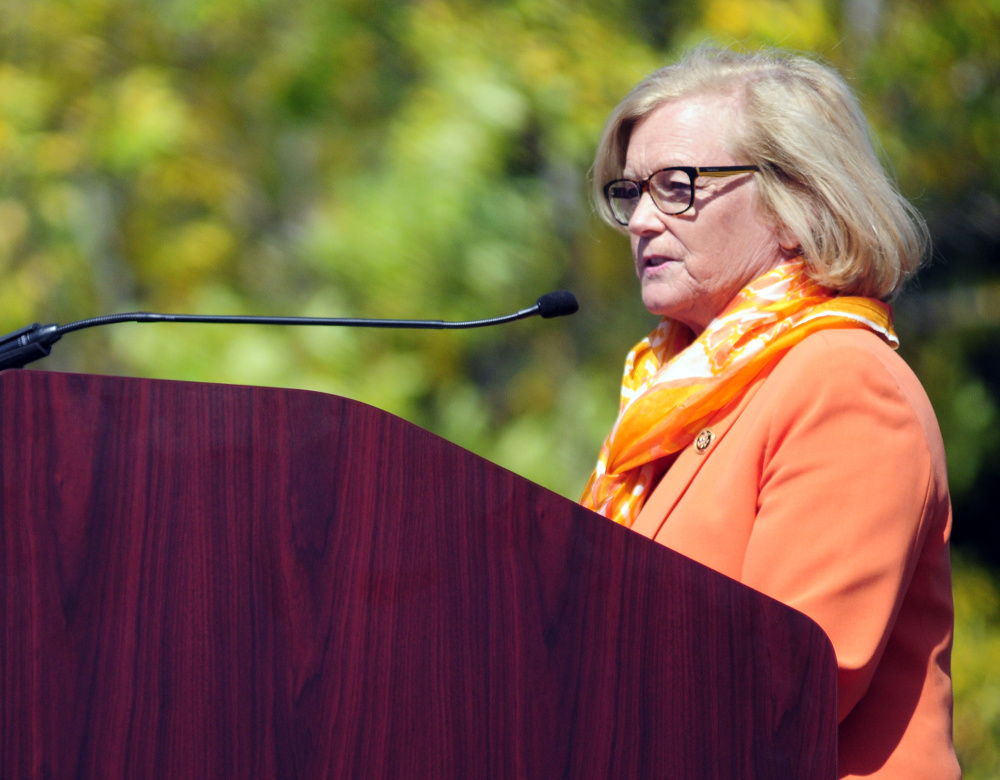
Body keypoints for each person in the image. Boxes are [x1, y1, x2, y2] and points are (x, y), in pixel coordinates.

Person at [581, 46, 959, 779]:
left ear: (800, 203)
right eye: (632, 192)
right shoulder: (672, 406)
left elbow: (784, 686)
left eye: (678, 186)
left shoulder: (843, 381)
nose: (641, 222)